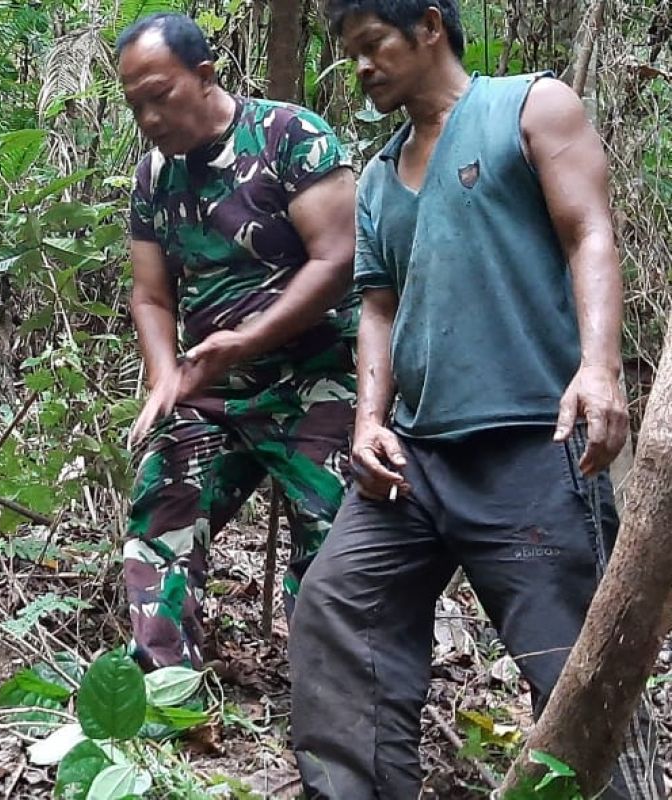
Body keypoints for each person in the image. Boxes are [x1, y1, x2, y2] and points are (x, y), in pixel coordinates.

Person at [288, 2, 666, 798]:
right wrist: (367, 423)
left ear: (429, 26)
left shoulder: (529, 107)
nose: (360, 67)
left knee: (573, 667)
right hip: (414, 458)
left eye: (373, 45)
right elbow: (378, 308)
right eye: (350, 53)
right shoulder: (380, 177)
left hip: (533, 440)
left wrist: (599, 369)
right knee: (337, 609)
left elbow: (588, 232)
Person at [117, 12, 359, 671]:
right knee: (161, 516)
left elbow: (337, 262)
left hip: (315, 378)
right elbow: (151, 295)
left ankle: (330, 706)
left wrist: (247, 341)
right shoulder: (153, 180)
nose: (149, 118)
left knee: (336, 542)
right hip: (212, 388)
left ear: (203, 76)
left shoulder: (289, 138)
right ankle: (163, 693)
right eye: (135, 105)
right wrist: (166, 375)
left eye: (159, 96)